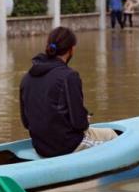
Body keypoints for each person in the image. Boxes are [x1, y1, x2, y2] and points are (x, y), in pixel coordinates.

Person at [19, 27, 117, 157]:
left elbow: (26, 123)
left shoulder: (26, 78)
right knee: (112, 136)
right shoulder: (69, 76)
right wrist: (85, 119)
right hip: (67, 146)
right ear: (71, 49)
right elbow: (79, 124)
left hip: (40, 147)